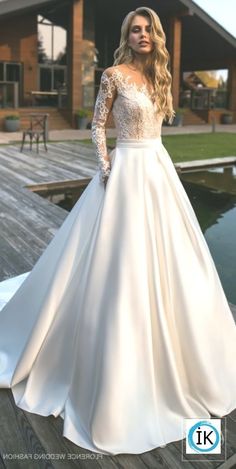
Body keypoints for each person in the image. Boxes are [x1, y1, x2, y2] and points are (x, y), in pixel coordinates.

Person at [0, 6, 236, 456]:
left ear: (156, 36)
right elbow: (97, 125)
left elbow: (158, 132)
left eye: (148, 29)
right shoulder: (114, 74)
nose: (142, 35)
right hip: (125, 171)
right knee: (120, 260)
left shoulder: (159, 77)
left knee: (175, 261)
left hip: (158, 172)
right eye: (135, 29)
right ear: (127, 36)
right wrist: (107, 169)